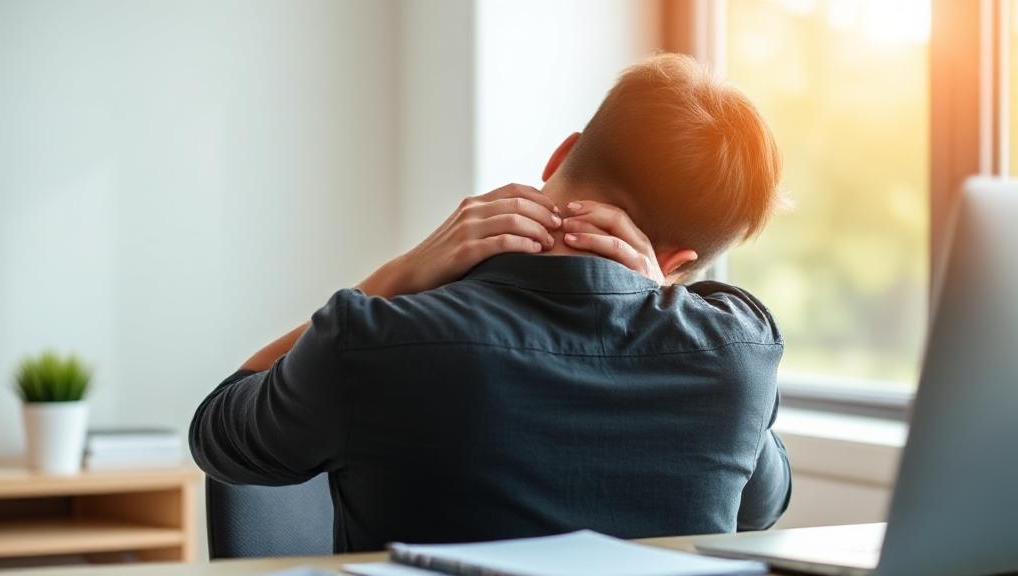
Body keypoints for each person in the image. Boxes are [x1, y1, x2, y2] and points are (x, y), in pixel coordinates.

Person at [190, 53, 791, 553]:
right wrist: (662, 302)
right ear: (678, 262)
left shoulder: (374, 337)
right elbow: (761, 503)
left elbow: (217, 431)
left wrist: (394, 276)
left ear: (561, 157)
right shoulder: (737, 355)